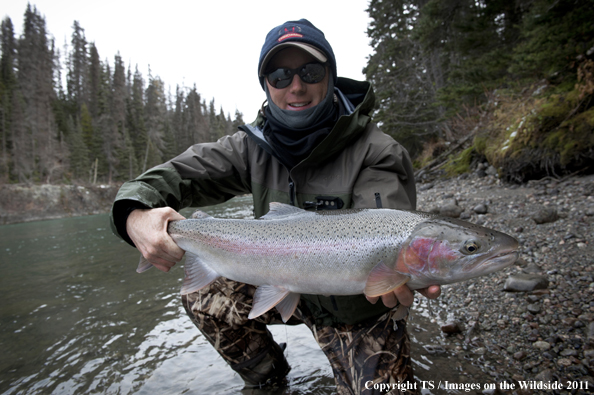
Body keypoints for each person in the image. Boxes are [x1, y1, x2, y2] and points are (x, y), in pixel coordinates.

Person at [110, 18, 440, 395]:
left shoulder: (376, 151)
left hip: (356, 309)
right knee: (202, 296)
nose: (295, 86)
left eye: (310, 71)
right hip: (282, 281)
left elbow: (388, 230)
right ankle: (270, 380)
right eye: (280, 76)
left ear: (329, 76)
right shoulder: (249, 147)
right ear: (266, 85)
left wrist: (399, 274)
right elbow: (172, 176)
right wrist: (133, 214)